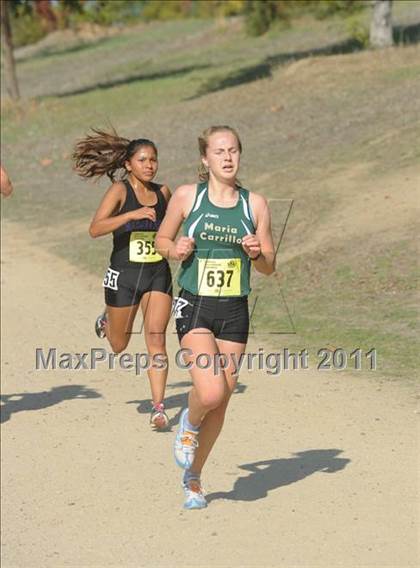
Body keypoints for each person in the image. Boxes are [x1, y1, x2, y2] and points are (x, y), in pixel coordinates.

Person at [155, 125, 276, 509]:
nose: (227, 157)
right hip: (196, 305)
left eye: (234, 150)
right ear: (204, 159)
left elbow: (270, 266)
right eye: (219, 151)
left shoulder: (254, 204)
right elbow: (161, 240)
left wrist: (257, 253)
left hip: (234, 310)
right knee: (210, 392)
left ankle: (194, 478)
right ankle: (188, 426)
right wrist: (177, 249)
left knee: (222, 403)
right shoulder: (188, 197)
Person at [73, 129, 173, 429]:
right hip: (124, 274)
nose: (149, 165)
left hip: (157, 273)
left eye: (153, 159)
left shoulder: (164, 193)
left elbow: (170, 230)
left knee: (156, 340)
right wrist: (130, 216)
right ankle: (108, 320)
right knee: (119, 345)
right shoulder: (119, 191)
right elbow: (95, 228)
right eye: (142, 159)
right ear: (129, 164)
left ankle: (158, 408)